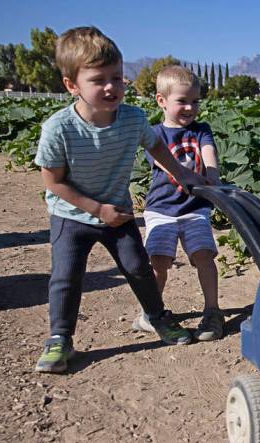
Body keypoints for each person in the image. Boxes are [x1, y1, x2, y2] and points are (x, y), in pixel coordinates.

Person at [33, 26, 212, 373]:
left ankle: (157, 318)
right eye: (98, 80)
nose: (111, 87)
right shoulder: (59, 128)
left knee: (139, 269)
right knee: (67, 276)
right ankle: (59, 339)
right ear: (72, 85)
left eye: (117, 77)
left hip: (118, 213)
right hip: (72, 215)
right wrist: (96, 209)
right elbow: (52, 181)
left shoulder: (133, 119)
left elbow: (157, 147)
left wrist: (183, 173)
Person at [131, 65, 224, 341]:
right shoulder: (154, 134)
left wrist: (213, 178)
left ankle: (212, 311)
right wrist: (190, 176)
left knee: (203, 255)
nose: (189, 108)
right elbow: (165, 163)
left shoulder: (201, 130)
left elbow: (209, 154)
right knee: (160, 261)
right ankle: (151, 313)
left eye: (195, 101)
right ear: (161, 101)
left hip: (195, 209)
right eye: (181, 101)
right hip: (161, 210)